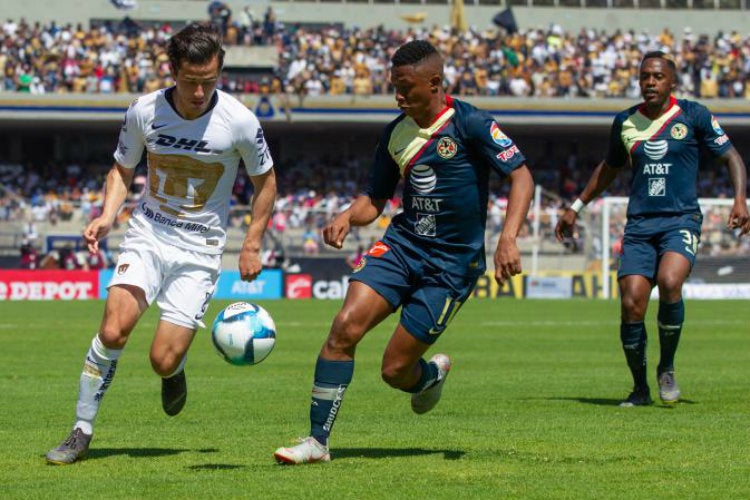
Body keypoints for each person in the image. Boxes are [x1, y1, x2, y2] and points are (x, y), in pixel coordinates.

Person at [273, 40, 534, 465]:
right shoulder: (395, 133)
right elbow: (375, 198)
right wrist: (346, 216)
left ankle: (430, 376)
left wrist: (508, 237)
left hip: (451, 266)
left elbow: (520, 175)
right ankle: (317, 442)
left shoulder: (471, 124)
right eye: (393, 86)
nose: (397, 95)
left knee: (395, 371)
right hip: (403, 246)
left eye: (405, 87)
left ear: (434, 83)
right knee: (344, 328)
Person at [46, 22, 276, 464]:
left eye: (209, 82)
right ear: (173, 70)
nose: (199, 92)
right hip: (148, 233)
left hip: (201, 248)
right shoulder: (143, 111)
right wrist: (107, 215)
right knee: (113, 330)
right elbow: (121, 168)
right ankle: (81, 428)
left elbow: (266, 182)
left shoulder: (241, 121)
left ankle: (177, 369)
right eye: (191, 82)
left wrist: (251, 243)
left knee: (162, 360)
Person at [555, 51, 749, 407]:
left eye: (658, 76)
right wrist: (576, 206)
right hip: (640, 225)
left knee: (671, 281)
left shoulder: (693, 115)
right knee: (631, 304)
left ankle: (667, 367)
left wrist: (740, 199)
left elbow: (731, 156)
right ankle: (639, 389)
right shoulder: (626, 122)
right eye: (645, 76)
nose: (650, 82)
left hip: (681, 219)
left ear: (671, 82)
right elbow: (609, 168)